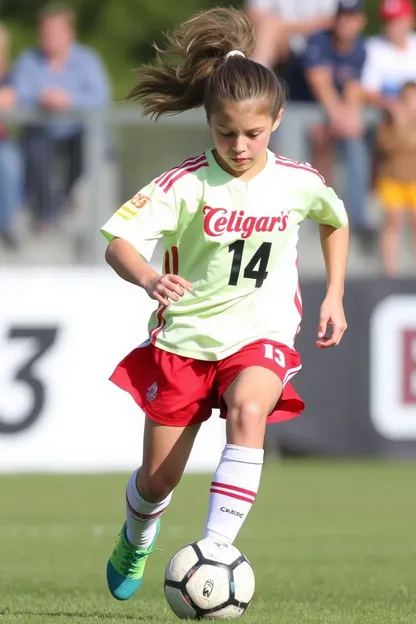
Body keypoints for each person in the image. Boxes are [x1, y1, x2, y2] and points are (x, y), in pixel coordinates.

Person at [100, 7, 349, 602]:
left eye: (253, 133)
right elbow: (119, 243)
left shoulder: (298, 180)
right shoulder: (184, 184)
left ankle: (216, 552)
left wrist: (334, 294)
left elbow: (333, 221)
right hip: (183, 340)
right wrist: (146, 279)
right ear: (209, 123)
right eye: (225, 132)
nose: (239, 146)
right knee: (157, 481)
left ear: (277, 120)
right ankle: (138, 534)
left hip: (260, 332)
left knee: (249, 413)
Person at [12, 2, 111, 230]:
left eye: (55, 32)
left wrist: (68, 101)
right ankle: (47, 216)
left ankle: (60, 205)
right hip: (41, 135)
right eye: (45, 32)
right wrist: (43, 98)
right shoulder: (28, 61)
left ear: (69, 33)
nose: (49, 37)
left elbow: (100, 98)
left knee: (89, 146)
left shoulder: (88, 61)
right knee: (36, 147)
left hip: (76, 134)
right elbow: (19, 94)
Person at [303, 0, 373, 243]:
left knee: (354, 143)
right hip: (300, 115)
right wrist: (341, 117)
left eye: (351, 17)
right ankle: (308, 223)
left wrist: (349, 116)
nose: (345, 22)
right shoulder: (318, 41)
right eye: (342, 16)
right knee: (314, 158)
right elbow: (319, 83)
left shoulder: (360, 49)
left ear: (360, 22)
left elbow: (354, 90)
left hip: (331, 117)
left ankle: (356, 218)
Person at [245, 0, 338, 101]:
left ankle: (256, 81)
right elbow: (253, 14)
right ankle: (258, 81)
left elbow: (330, 21)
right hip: (282, 41)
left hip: (317, 41)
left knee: (269, 26)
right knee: (266, 28)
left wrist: (280, 26)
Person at [376, 81, 416, 276]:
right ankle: (389, 270)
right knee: (392, 222)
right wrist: (400, 125)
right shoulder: (389, 122)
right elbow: (386, 147)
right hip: (392, 178)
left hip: (414, 180)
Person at [362, 0, 416, 112]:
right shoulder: (373, 48)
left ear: (410, 20)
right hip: (387, 115)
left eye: (396, 20)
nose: (391, 26)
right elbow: (368, 92)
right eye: (387, 21)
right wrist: (393, 105)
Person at [0, 24, 23, 249]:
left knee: (9, 163)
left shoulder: (10, 76)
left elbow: (12, 98)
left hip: (2, 142)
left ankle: (5, 224)